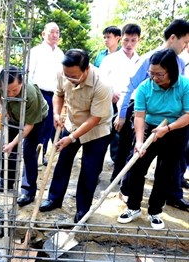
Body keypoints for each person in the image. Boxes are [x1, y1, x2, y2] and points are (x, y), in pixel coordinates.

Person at [117, 19, 189, 210]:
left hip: (173, 123)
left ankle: (158, 206)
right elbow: (134, 97)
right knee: (137, 161)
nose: (185, 47)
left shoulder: (181, 70)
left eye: (160, 75)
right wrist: (124, 116)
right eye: (185, 42)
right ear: (174, 38)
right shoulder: (149, 65)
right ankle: (130, 198)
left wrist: (169, 127)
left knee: (167, 168)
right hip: (145, 115)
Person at [39, 49, 113, 223]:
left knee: (89, 169)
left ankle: (82, 210)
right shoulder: (63, 73)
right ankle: (54, 199)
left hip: (97, 130)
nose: (69, 79)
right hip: (72, 123)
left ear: (86, 69)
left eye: (74, 76)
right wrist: (56, 114)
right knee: (63, 161)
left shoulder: (102, 84)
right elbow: (58, 94)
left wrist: (72, 138)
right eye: (67, 75)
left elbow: (95, 118)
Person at [0, 66, 49, 207]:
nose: (10, 94)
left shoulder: (30, 94)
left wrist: (14, 143)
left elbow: (28, 125)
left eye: (15, 90)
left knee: (28, 152)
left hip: (36, 120)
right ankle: (6, 182)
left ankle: (28, 192)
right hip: (12, 116)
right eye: (7, 91)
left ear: (22, 83)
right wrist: (2, 107)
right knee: (7, 149)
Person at [99, 23, 142, 181]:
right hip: (109, 104)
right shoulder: (110, 59)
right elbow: (101, 81)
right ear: (120, 39)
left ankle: (117, 176)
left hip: (131, 106)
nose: (129, 44)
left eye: (133, 40)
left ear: (138, 40)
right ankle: (94, 173)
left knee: (124, 144)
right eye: (126, 40)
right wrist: (110, 93)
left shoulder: (140, 61)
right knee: (102, 140)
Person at [28, 22, 64, 166]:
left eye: (57, 32)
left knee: (49, 127)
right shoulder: (35, 51)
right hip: (37, 94)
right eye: (51, 32)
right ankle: (32, 156)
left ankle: (41, 155)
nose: (54, 35)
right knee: (36, 127)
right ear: (43, 34)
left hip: (54, 95)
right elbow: (29, 75)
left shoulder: (60, 53)